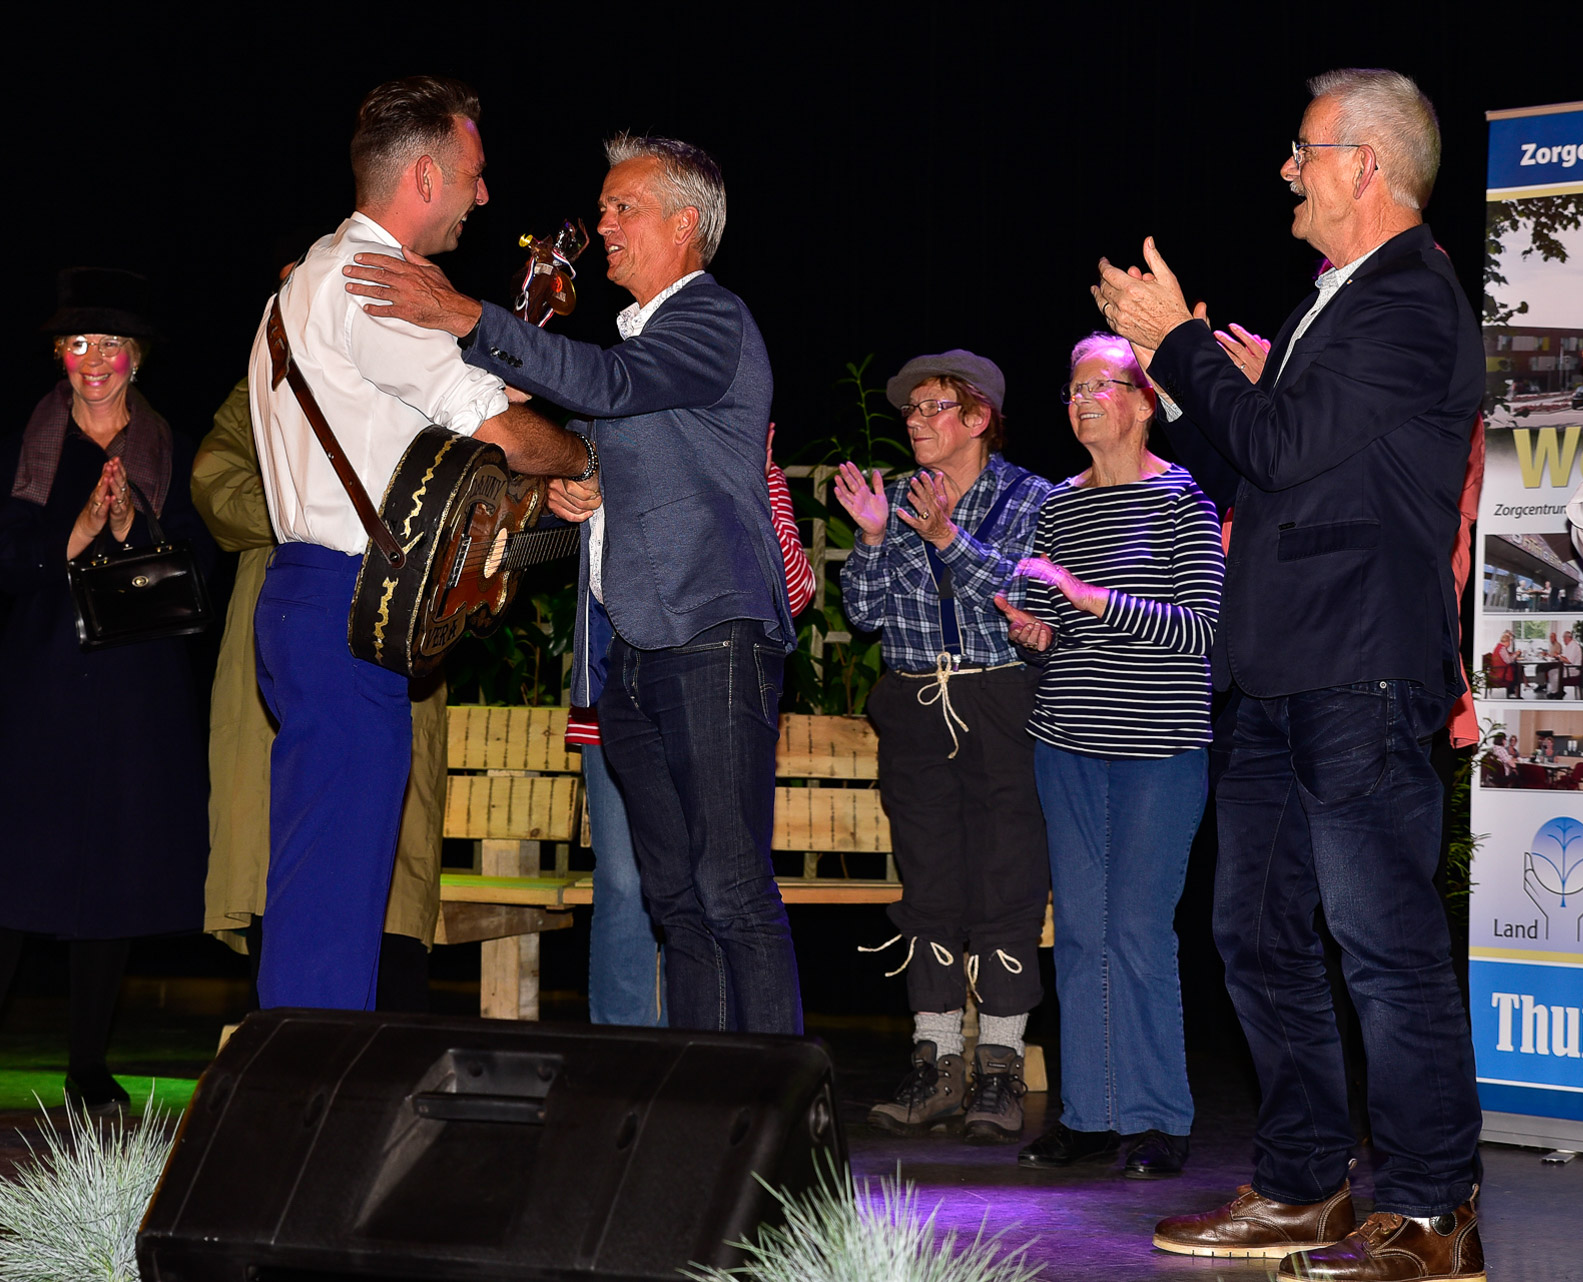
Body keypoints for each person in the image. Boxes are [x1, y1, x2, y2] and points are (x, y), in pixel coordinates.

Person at [1096, 68, 1485, 1277]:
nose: (1286, 170)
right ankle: (1304, 1183)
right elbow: (1265, 470)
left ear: (1366, 164)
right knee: (1257, 934)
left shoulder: (1410, 295)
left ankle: (1433, 1206)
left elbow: (1284, 442)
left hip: (1359, 663)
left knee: (1382, 940)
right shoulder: (1335, 300)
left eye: (1303, 149)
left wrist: (1182, 345)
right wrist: (1192, 378)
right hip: (1276, 665)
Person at [346, 132, 803, 1035]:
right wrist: (572, 484)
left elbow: (609, 382)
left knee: (731, 890)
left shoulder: (711, 319)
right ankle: (704, 1093)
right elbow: (601, 437)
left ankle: (785, 1103)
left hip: (712, 637)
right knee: (675, 899)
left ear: (685, 223)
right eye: (603, 207)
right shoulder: (641, 351)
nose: (604, 225)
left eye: (623, 207)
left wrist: (470, 318)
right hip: (629, 655)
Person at [247, 76, 596, 1011]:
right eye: (474, 175)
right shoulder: (375, 285)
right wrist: (584, 460)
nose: (484, 196)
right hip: (349, 602)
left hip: (319, 596)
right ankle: (305, 1087)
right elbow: (497, 432)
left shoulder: (315, 279)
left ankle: (306, 1074)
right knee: (334, 893)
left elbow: (437, 416)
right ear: (427, 176)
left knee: (330, 878)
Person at [0, 268, 211, 1110]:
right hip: (39, 689)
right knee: (5, 875)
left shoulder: (172, 452)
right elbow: (0, 561)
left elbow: (199, 575)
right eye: (79, 343)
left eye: (112, 344)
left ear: (136, 358)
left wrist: (133, 531)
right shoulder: (26, 448)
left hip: (133, 695)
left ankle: (86, 1064)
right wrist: (73, 535)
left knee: (112, 874)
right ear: (59, 356)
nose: (96, 359)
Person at [992, 334, 1223, 1178]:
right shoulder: (1058, 506)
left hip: (1159, 749)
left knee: (1135, 930)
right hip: (1068, 745)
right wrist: (1036, 632)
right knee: (1082, 934)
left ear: (1143, 401)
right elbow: (1060, 629)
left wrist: (1089, 598)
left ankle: (1157, 1117)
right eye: (1074, 387)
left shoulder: (1183, 500)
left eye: (1100, 385)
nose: (1082, 400)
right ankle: (1087, 1115)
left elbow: (1203, 630)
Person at [833, 350, 1053, 1143]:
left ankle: (998, 1069)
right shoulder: (893, 499)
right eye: (912, 410)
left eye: (933, 407)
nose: (916, 421)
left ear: (979, 416)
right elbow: (864, 613)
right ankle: (936, 1063)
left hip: (1000, 700)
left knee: (1006, 883)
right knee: (928, 886)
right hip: (917, 703)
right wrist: (871, 538)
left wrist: (948, 538)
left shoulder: (1033, 496)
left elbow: (1028, 593)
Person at [193, 375, 447, 1010]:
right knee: (290, 864)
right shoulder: (277, 372)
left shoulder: (418, 365)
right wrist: (320, 506)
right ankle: (294, 1047)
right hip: (300, 608)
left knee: (391, 873)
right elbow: (216, 484)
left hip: (399, 621)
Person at [563, 425, 814, 1027]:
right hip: (614, 684)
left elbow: (794, 589)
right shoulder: (610, 443)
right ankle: (658, 1061)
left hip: (704, 670)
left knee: (729, 888)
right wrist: (565, 483)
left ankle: (775, 1076)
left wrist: (757, 471)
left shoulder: (741, 460)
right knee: (648, 892)